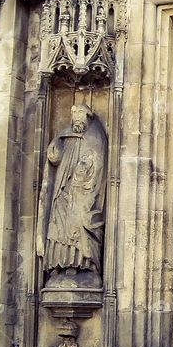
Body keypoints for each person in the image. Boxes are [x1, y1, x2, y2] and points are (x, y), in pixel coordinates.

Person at [37, 104, 108, 283]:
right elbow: (56, 157)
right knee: (58, 224)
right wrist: (55, 150)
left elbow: (97, 161)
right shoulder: (66, 133)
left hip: (83, 190)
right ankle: (59, 264)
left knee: (81, 221)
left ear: (88, 117)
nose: (76, 117)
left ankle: (84, 264)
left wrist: (83, 170)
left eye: (80, 114)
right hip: (63, 187)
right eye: (74, 113)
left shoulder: (95, 135)